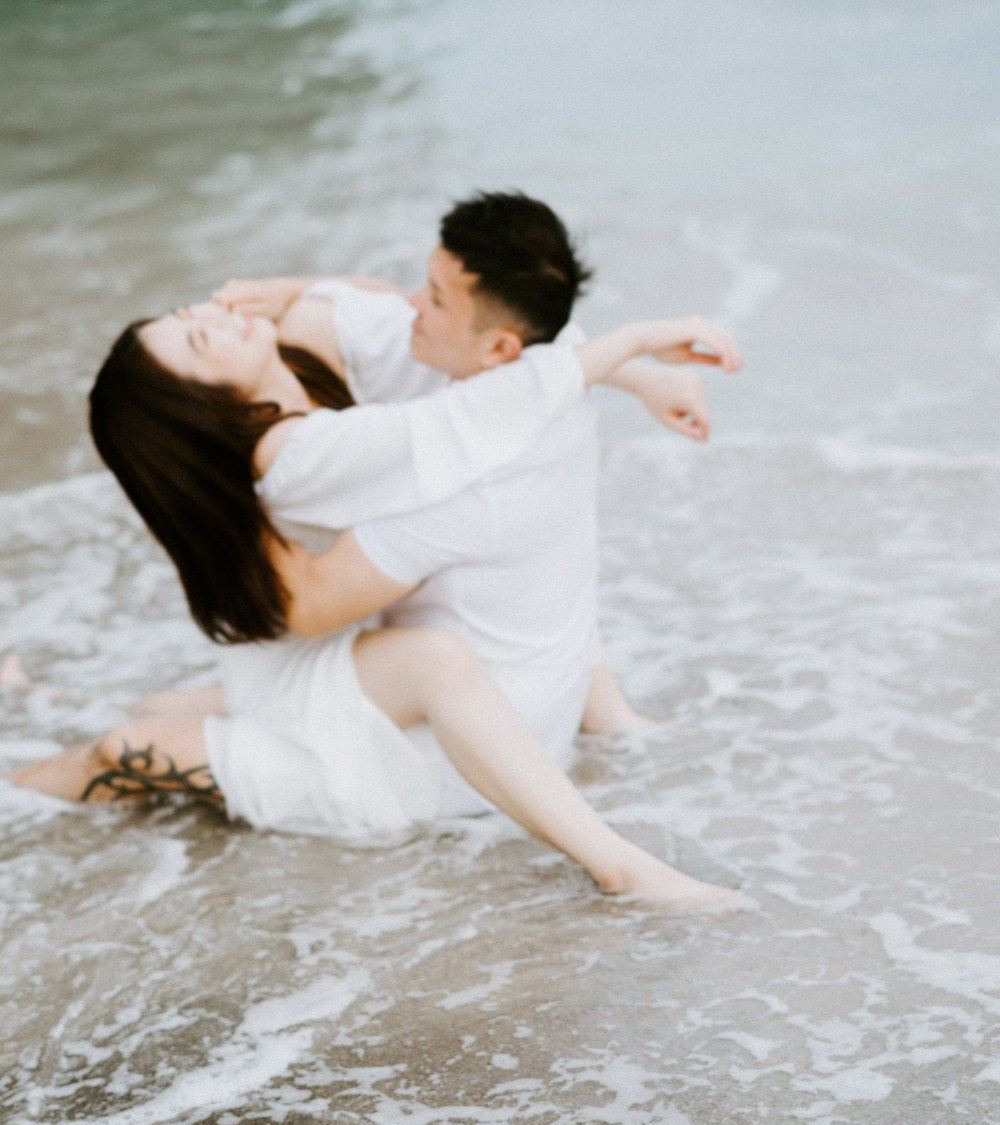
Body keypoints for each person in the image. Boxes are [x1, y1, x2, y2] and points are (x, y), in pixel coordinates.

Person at [10, 293, 742, 912]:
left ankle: (44, 693)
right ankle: (618, 864)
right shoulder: (290, 457)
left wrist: (637, 376)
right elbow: (470, 414)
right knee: (124, 750)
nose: (214, 311)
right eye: (201, 338)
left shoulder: (304, 390)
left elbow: (429, 323)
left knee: (195, 700)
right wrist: (633, 355)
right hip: (343, 733)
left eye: (189, 311)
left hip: (306, 681)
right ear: (205, 407)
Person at [213, 192, 741, 816]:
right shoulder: (529, 359)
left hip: (467, 757)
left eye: (434, 299)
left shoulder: (467, 479)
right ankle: (615, 721)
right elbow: (377, 300)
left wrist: (214, 480)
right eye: (428, 282)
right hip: (544, 684)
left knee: (126, 746)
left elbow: (309, 608)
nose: (412, 302)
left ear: (498, 350)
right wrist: (641, 372)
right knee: (196, 704)